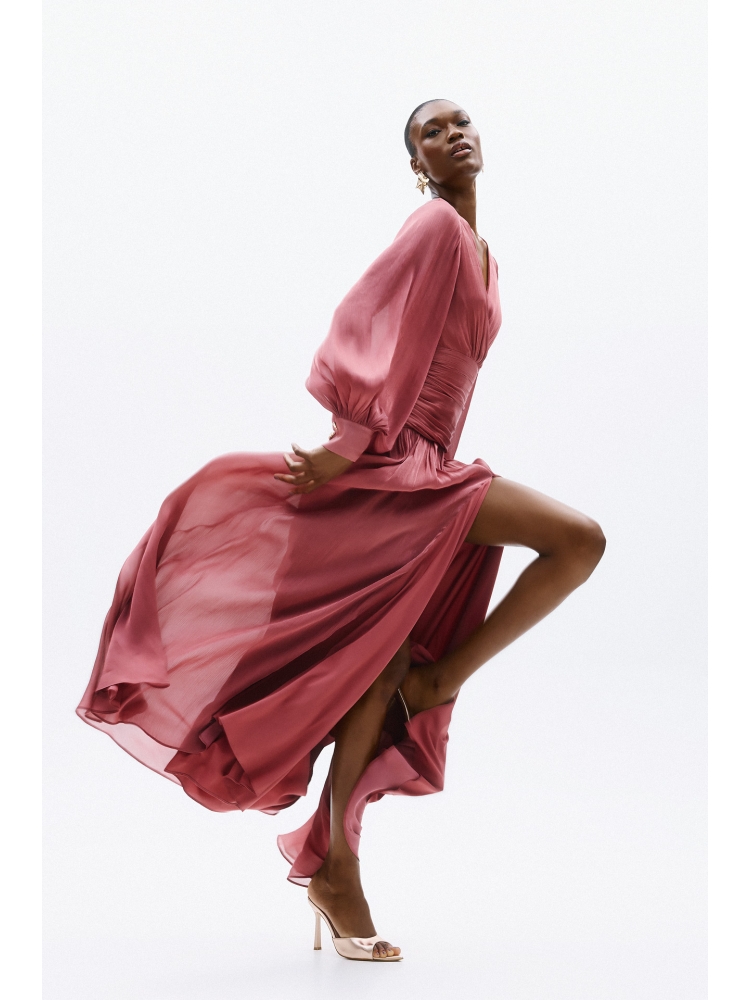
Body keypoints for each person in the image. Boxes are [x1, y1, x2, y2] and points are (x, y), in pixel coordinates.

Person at [78, 99, 605, 963]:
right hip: (401, 468)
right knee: (578, 539)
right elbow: (369, 319)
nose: (454, 134)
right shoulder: (435, 225)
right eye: (432, 131)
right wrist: (352, 444)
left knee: (378, 667)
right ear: (417, 165)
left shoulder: (484, 254)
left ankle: (335, 858)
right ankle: (429, 701)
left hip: (432, 466)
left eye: (462, 121)